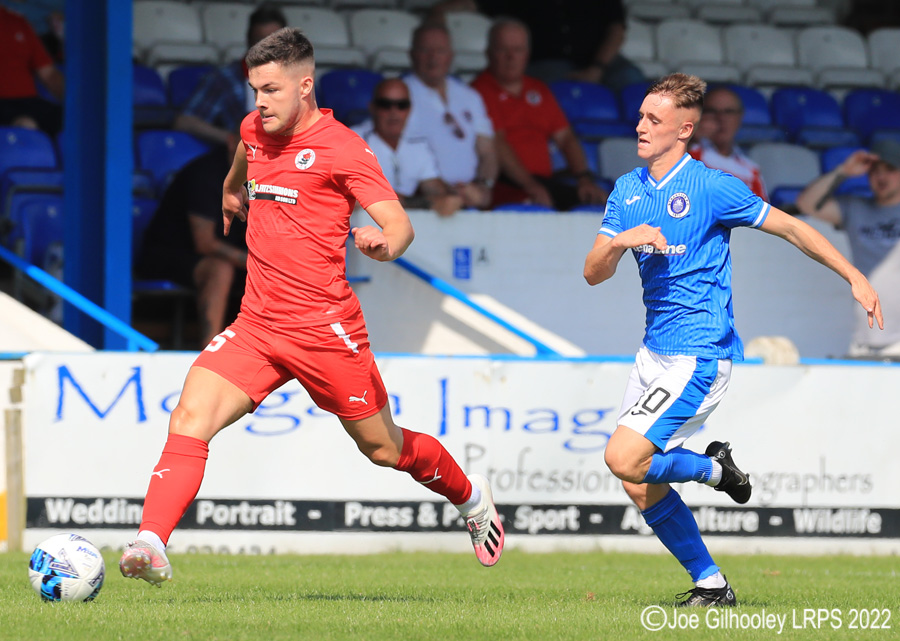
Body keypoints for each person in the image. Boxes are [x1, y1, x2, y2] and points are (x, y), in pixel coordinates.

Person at [119, 27, 504, 586]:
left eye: (271, 90)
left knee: (383, 448)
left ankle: (470, 497)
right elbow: (244, 152)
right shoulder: (255, 128)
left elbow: (400, 225)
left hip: (325, 330)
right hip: (257, 325)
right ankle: (150, 543)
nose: (259, 103)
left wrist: (384, 244)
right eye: (254, 90)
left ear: (305, 86)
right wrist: (231, 188)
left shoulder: (343, 148)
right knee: (189, 417)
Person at [583, 73, 882, 606]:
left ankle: (712, 469)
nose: (640, 126)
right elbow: (593, 273)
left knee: (624, 458)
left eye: (654, 119)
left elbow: (792, 227)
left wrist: (853, 274)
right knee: (637, 481)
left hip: (699, 354)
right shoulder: (627, 189)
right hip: (653, 353)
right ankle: (712, 584)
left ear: (684, 129)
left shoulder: (712, 187)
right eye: (641, 115)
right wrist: (622, 241)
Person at [471, 18, 607, 211]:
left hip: (543, 182)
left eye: (518, 50)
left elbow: (565, 137)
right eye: (503, 49)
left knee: (601, 203)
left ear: (527, 54)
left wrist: (584, 179)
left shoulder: (539, 89)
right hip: (502, 183)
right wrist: (530, 185)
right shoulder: (477, 91)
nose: (511, 57)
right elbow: (497, 143)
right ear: (488, 53)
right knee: (530, 203)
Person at [795, 139, 900, 358]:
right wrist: (843, 170)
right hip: (862, 342)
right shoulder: (856, 209)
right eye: (874, 171)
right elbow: (806, 204)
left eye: (889, 169)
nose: (881, 177)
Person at [135, 150, 249, 348]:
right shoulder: (206, 173)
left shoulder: (265, 176)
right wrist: (252, 261)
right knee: (220, 269)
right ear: (232, 142)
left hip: (225, 257)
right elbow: (204, 243)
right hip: (167, 253)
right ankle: (209, 351)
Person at [426, 0, 645, 90]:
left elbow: (617, 30)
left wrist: (597, 69)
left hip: (602, 59)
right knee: (555, 91)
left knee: (637, 84)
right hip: (549, 62)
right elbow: (477, 3)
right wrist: (440, 9)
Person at [402, 24, 498, 210]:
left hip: (470, 198)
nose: (433, 58)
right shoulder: (399, 96)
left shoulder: (469, 96)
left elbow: (488, 151)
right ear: (412, 54)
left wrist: (483, 187)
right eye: (425, 50)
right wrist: (444, 191)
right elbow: (404, 155)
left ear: (451, 56)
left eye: (440, 51)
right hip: (424, 201)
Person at [174, 3, 287, 158]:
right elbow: (184, 121)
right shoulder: (226, 79)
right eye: (260, 42)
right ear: (249, 42)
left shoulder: (295, 81)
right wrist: (232, 138)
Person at [353, 78, 463, 217]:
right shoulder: (352, 140)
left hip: (401, 224)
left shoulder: (418, 144)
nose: (394, 112)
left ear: (410, 109)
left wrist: (450, 197)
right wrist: (429, 203)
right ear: (372, 107)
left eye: (402, 105)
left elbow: (435, 189)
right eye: (385, 105)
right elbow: (360, 198)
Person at [689, 86, 768, 200]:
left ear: (740, 117)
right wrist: (691, 138)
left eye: (729, 112)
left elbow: (761, 208)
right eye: (712, 111)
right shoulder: (685, 152)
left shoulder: (751, 170)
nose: (721, 118)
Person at [0, 5, 64, 135]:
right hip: (4, 105)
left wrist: (74, 102)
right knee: (25, 123)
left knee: (71, 119)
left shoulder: (17, 21)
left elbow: (49, 74)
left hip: (29, 102)